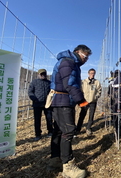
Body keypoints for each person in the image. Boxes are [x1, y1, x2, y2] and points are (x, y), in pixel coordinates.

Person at [49, 44, 92, 178]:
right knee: (68, 131)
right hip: (63, 101)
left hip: (61, 100)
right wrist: (81, 101)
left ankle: (55, 159)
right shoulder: (68, 62)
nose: (86, 60)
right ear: (78, 52)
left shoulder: (69, 62)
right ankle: (68, 166)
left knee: (59, 131)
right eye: (85, 56)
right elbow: (70, 84)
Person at [28, 68, 53, 141]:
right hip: (37, 104)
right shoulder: (34, 82)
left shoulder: (49, 83)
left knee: (49, 118)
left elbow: (51, 92)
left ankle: (50, 131)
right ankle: (38, 134)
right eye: (41, 74)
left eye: (44, 74)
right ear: (38, 74)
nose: (43, 75)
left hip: (47, 104)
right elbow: (30, 92)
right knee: (37, 120)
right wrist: (34, 99)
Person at [76, 68, 102, 136]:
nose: (92, 74)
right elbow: (80, 91)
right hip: (85, 101)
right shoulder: (84, 82)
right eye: (91, 73)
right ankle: (78, 129)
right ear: (88, 74)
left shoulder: (97, 82)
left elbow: (99, 91)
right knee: (82, 115)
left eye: (93, 73)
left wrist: (95, 97)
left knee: (91, 115)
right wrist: (81, 100)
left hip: (93, 101)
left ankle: (88, 128)